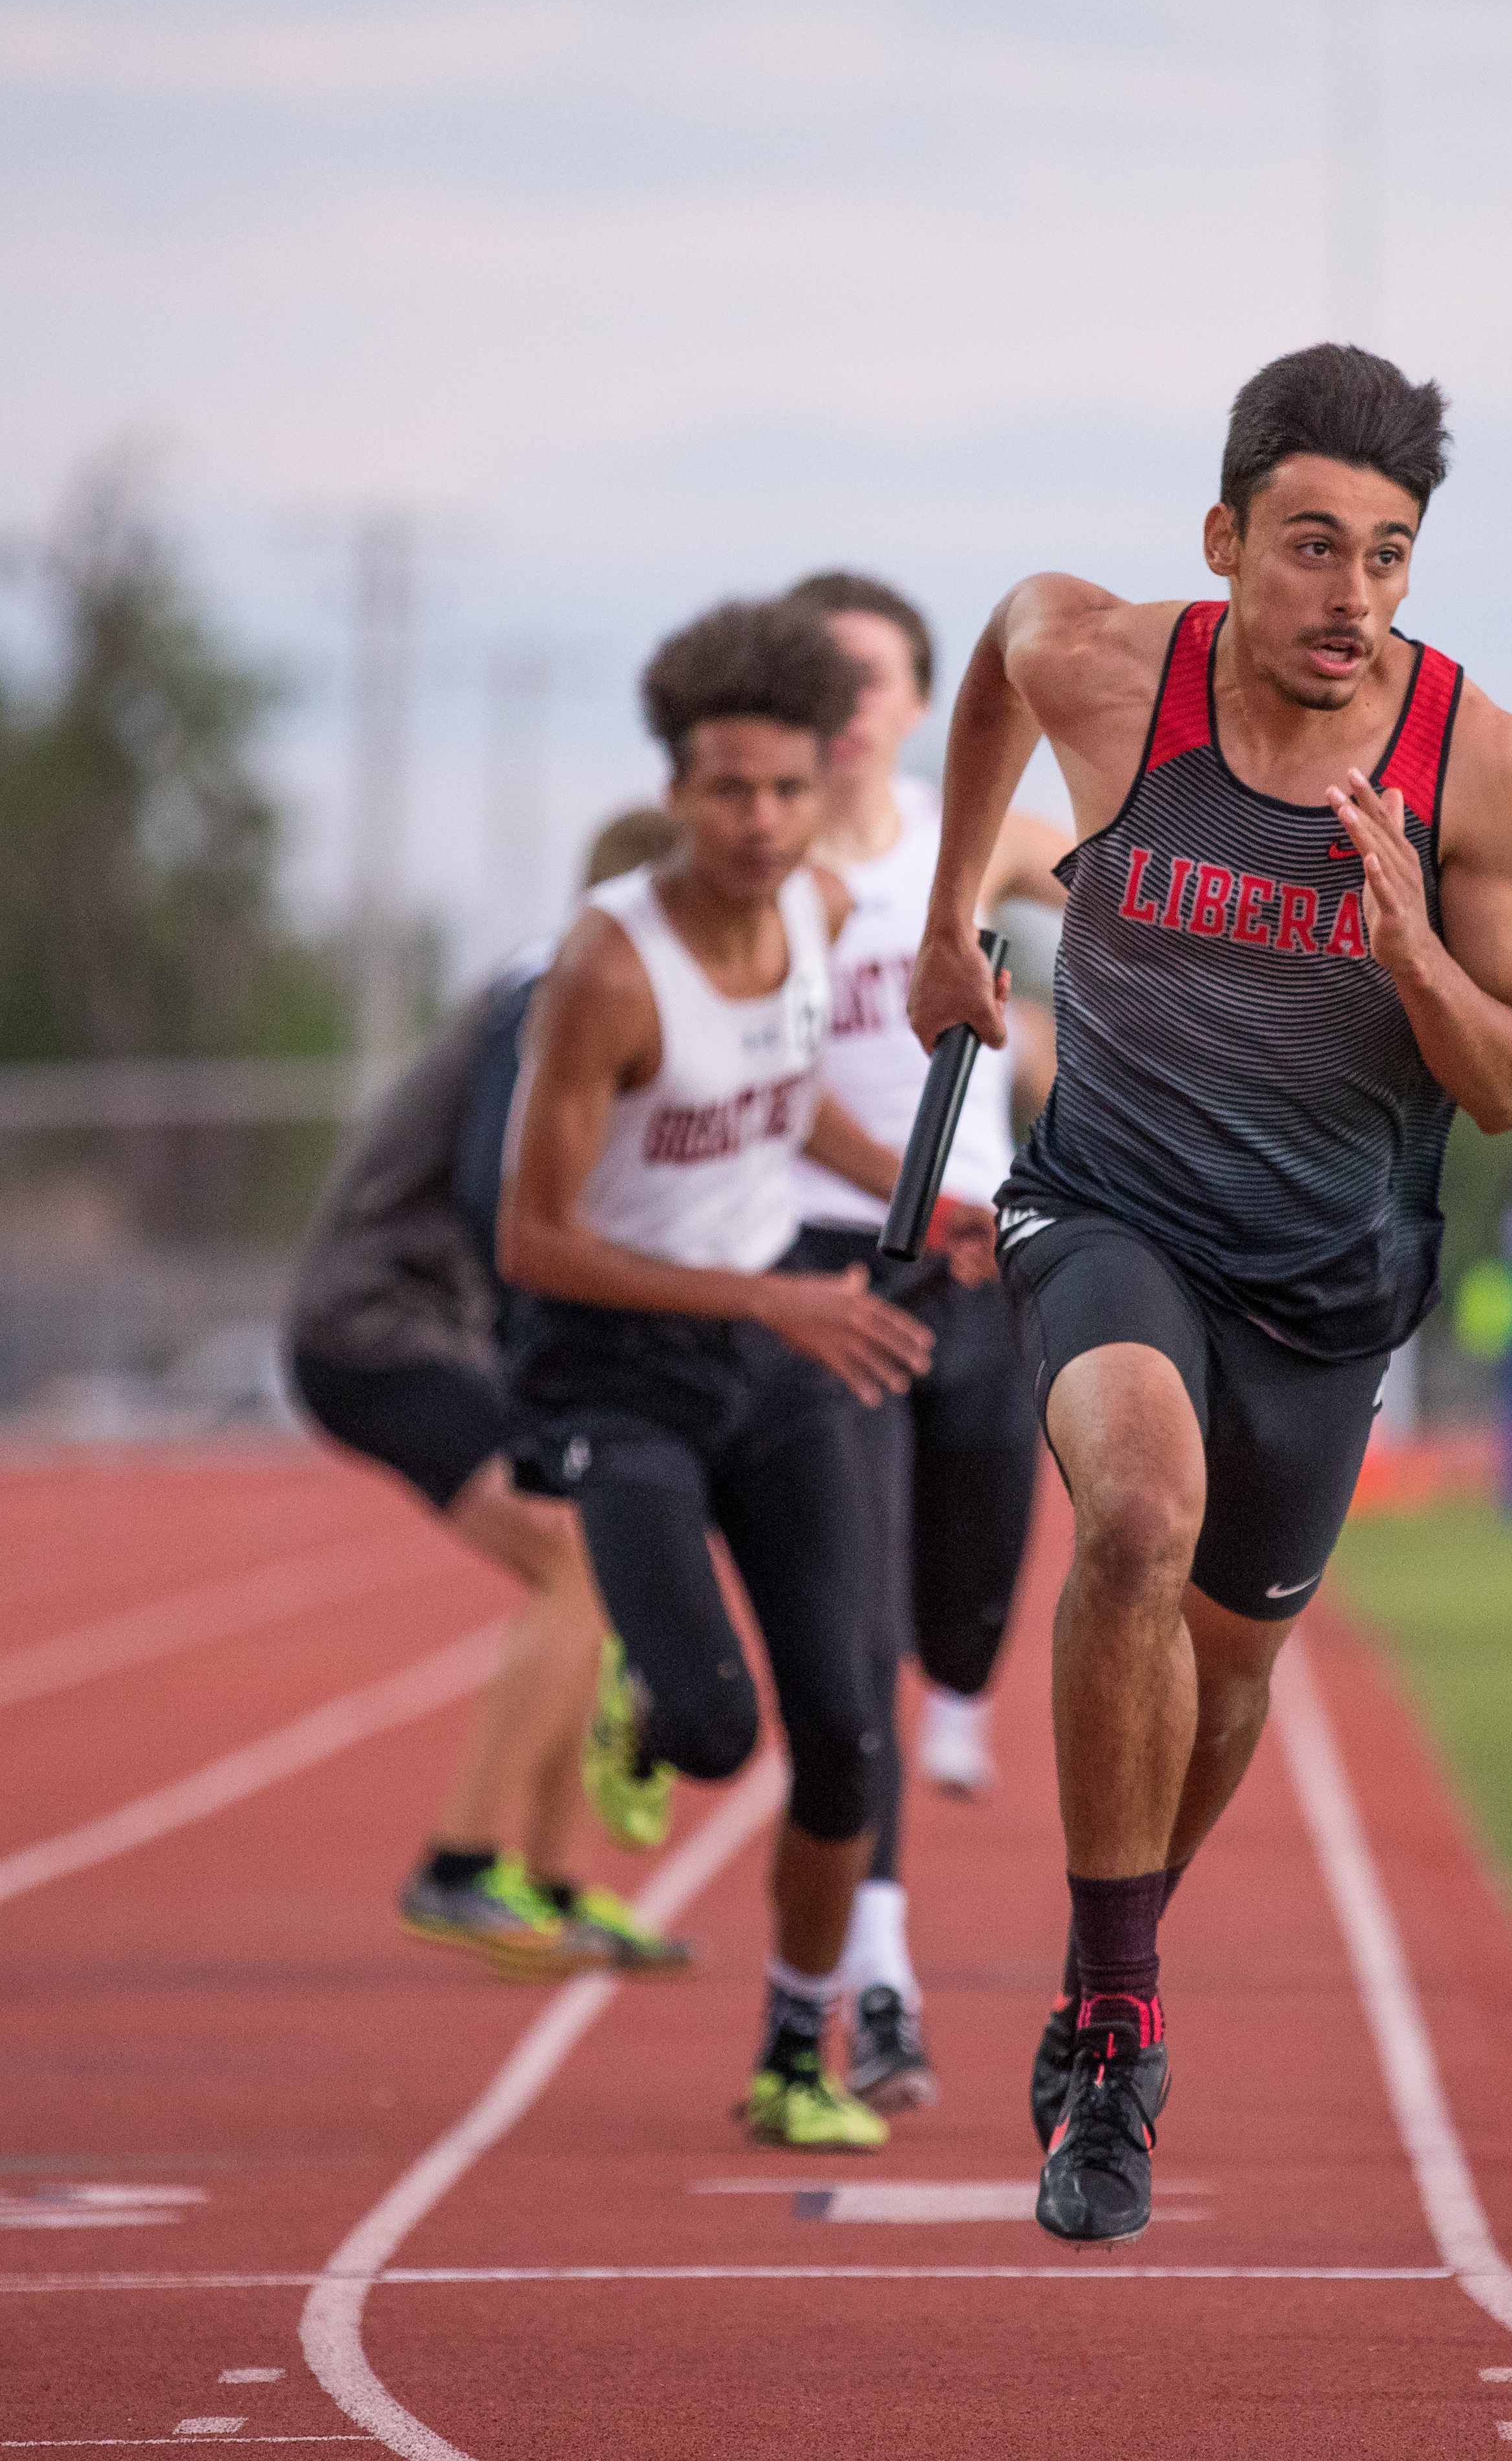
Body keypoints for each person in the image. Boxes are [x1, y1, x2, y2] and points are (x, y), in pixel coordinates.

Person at [909, 342, 1512, 2244]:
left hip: (1327, 1284)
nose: (1345, 595)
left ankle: (1102, 1944)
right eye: (1305, 546)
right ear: (1222, 538)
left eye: (1383, 553)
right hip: (1109, 1209)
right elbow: (1000, 648)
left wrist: (1410, 951)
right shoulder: (1118, 667)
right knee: (1135, 1509)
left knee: (1231, 1665)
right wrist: (956, 915)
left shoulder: (1475, 765)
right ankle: (1120, 2025)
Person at [502, 601, 985, 2153]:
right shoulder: (606, 973)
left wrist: (930, 1202)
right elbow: (532, 1240)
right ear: (678, 789)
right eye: (728, 792)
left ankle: (798, 2048)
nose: (762, 822)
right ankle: (652, 1703)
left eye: (784, 790)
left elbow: (785, 1116)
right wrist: (766, 1298)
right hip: (618, 1368)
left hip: (768, 1348)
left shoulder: (817, 913)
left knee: (845, 1729)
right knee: (717, 1736)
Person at [284, 806, 693, 1982]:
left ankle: (553, 1887)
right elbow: (493, 1189)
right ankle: (459, 1869)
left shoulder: (593, 1000)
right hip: (378, 1326)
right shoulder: (549, 991)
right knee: (579, 1558)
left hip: (442, 1323)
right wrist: (550, 1352)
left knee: (599, 1556)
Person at [768, 569, 1069, 2111]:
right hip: (833, 1278)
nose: (845, 708)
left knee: (965, 1620)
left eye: (870, 678)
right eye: (816, 681)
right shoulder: (763, 882)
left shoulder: (984, 848)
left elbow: (1125, 886)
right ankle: (878, 1980)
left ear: (910, 701)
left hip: (982, 1279)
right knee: (863, 1637)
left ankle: (958, 1696)